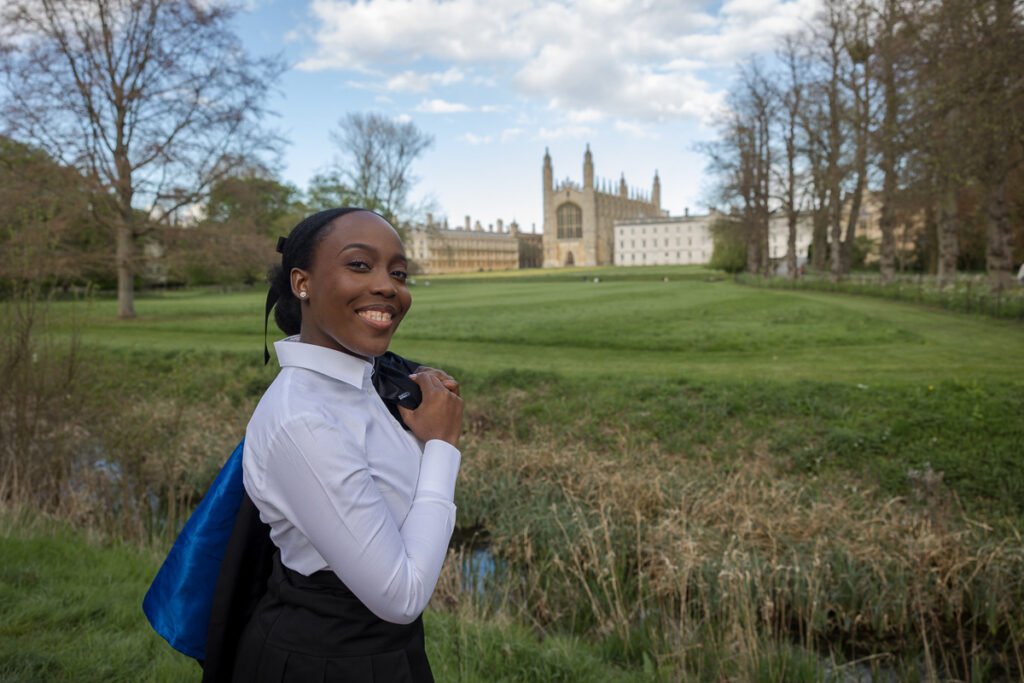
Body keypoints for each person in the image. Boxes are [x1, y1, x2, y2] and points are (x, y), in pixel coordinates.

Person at [232, 207, 463, 682]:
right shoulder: (304, 419)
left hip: (380, 653)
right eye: (359, 265)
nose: (387, 286)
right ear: (303, 283)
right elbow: (401, 595)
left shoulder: (365, 384)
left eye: (398, 272)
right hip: (326, 661)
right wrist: (441, 446)